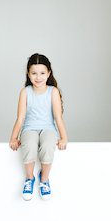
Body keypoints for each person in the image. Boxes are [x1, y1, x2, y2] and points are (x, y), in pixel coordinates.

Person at [9, 53, 68, 201]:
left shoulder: (53, 92)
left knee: (48, 146)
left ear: (48, 73)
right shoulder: (25, 92)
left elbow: (58, 118)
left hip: (48, 128)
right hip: (29, 128)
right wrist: (14, 138)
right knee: (29, 145)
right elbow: (21, 117)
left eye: (42, 73)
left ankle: (44, 180)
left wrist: (64, 137)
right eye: (34, 73)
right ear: (28, 74)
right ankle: (29, 179)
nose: (38, 77)